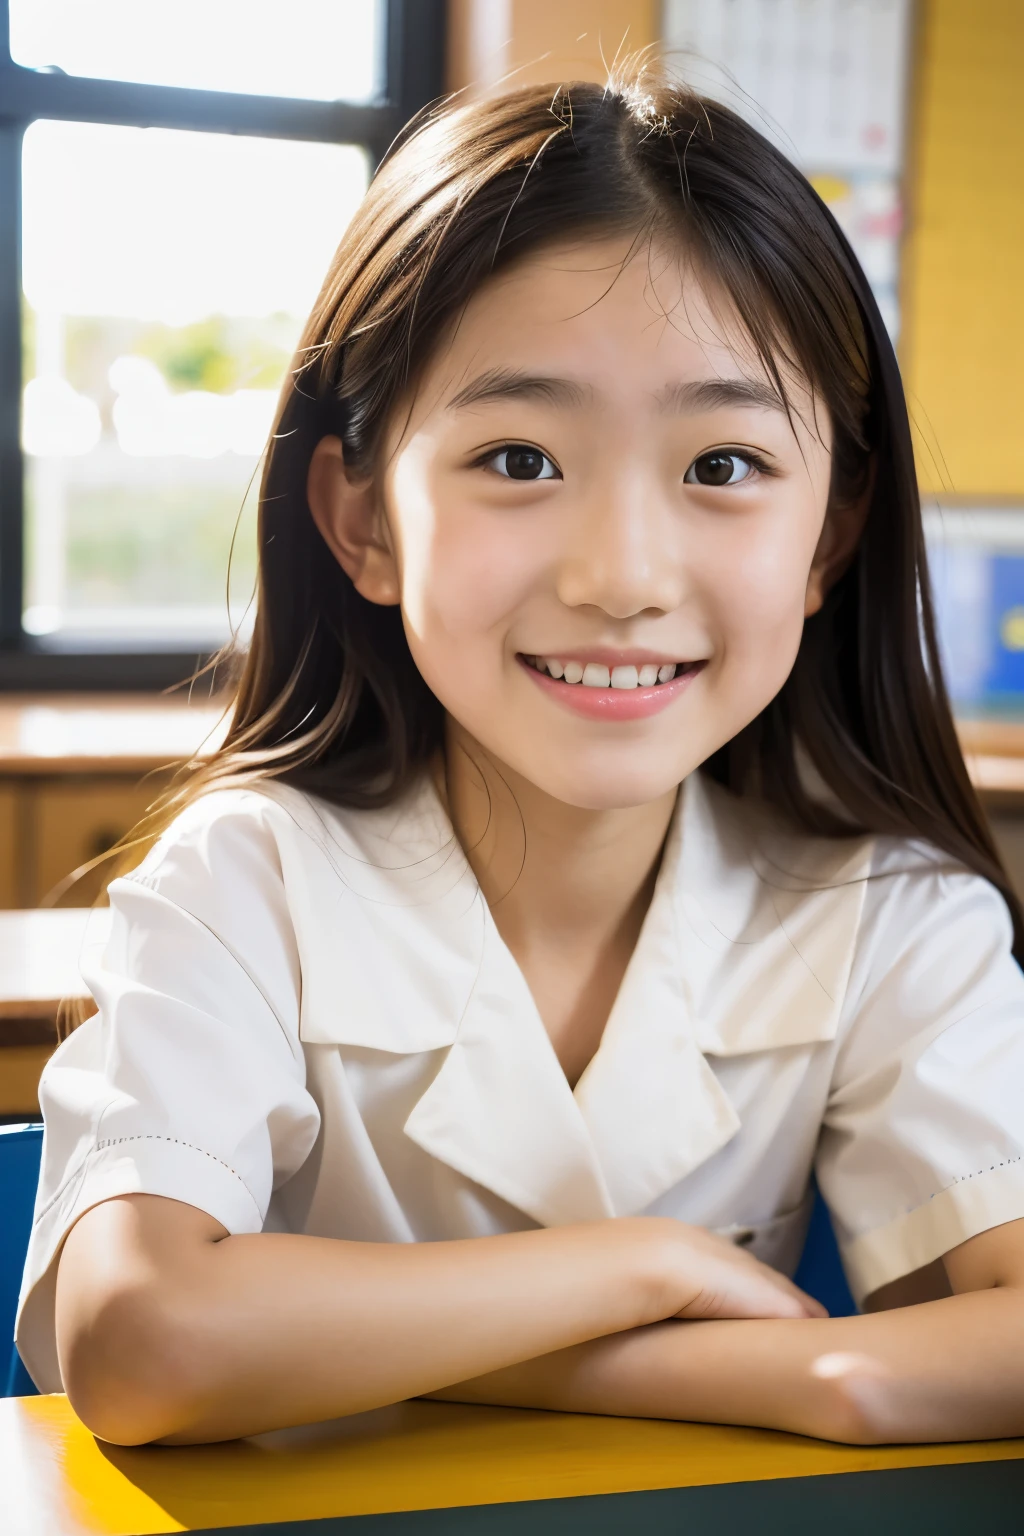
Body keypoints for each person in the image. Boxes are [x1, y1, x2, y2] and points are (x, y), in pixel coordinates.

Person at [16, 71, 1024, 1448]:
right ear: (361, 522)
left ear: (829, 542)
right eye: (518, 456)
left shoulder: (890, 917)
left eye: (722, 466)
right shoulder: (244, 880)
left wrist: (721, 1370)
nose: (622, 577)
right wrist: (645, 1268)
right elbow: (141, 1342)